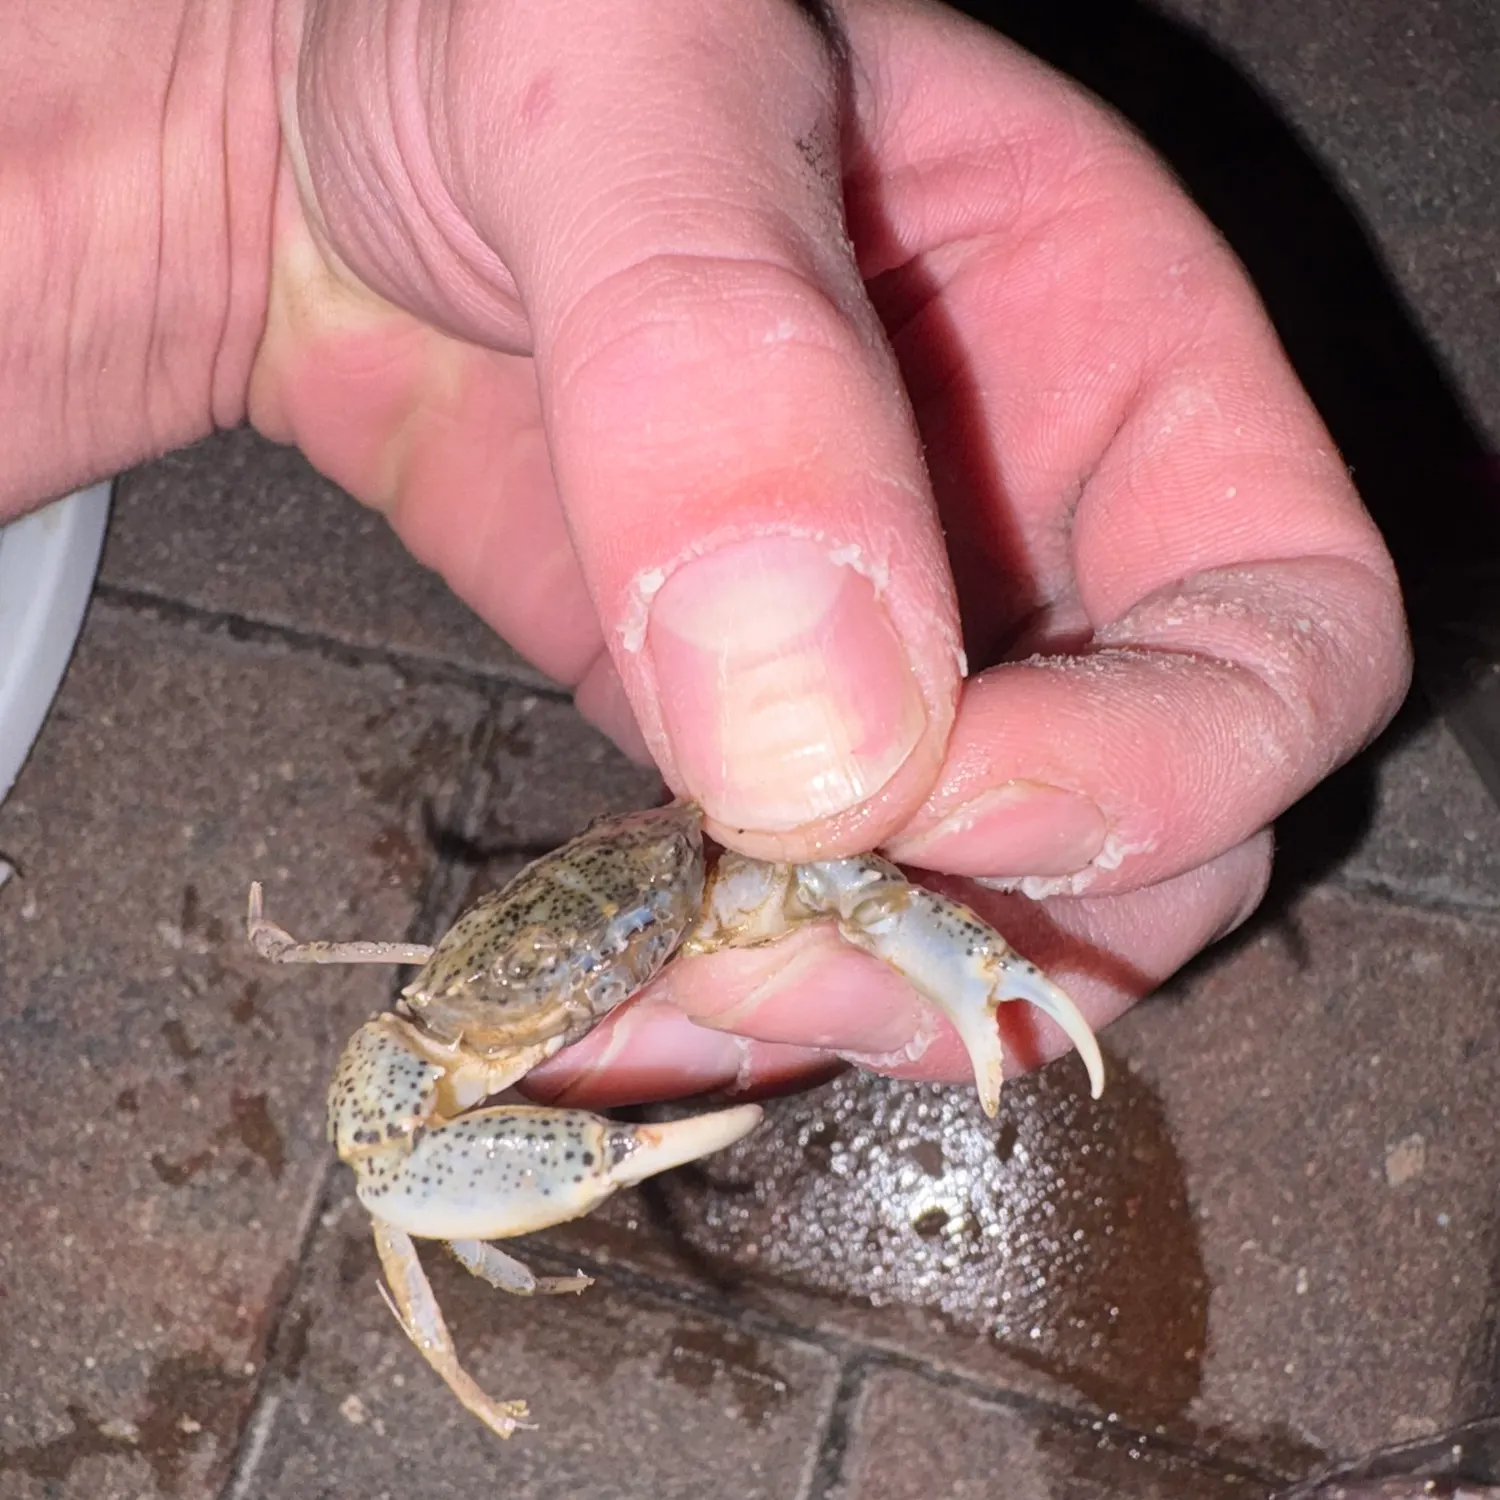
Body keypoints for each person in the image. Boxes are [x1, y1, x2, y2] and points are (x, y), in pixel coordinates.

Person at [2, 0, 1409, 1105]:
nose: (602, 983)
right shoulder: (435, 1037)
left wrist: (254, 120)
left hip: (679, 844)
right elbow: (392, 1156)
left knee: (877, 859)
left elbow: (837, 871)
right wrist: (239, 163)